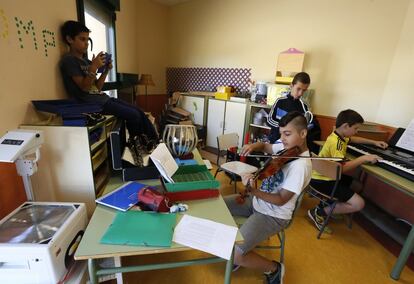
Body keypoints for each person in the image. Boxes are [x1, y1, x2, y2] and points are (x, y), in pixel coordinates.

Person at [225, 111, 312, 284]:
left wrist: (252, 190)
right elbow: (267, 147)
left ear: (303, 134)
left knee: (235, 254)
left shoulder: (301, 166)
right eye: (281, 134)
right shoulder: (286, 148)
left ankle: (275, 269)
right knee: (218, 205)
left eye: (287, 134)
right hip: (257, 202)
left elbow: (281, 199)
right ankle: (244, 249)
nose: (283, 139)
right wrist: (254, 145)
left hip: (273, 215)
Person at [59, 20, 158, 166]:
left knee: (138, 111)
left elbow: (96, 88)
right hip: (90, 104)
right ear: (69, 39)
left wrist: (105, 70)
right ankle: (138, 150)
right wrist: (93, 67)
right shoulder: (69, 61)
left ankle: (152, 143)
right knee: (133, 115)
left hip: (101, 99)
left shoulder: (85, 61)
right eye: (82, 39)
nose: (86, 43)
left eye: (87, 39)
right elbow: (84, 88)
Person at [307, 109, 388, 232]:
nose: (357, 131)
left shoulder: (338, 134)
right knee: (359, 204)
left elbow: (354, 139)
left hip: (323, 175)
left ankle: (329, 204)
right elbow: (341, 169)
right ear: (345, 126)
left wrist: (374, 142)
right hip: (323, 180)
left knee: (357, 184)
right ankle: (319, 211)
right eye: (355, 129)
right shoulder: (337, 144)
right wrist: (363, 158)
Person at [267, 72, 321, 153]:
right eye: (298, 89)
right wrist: (284, 129)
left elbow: (305, 126)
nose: (300, 93)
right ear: (291, 85)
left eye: (304, 90)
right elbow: (269, 120)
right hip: (275, 142)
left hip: (292, 147)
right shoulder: (280, 101)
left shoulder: (304, 107)